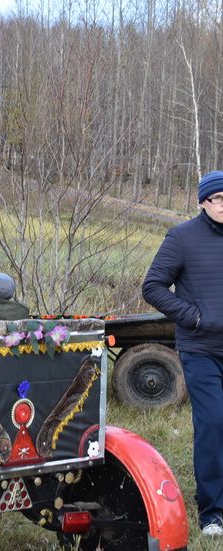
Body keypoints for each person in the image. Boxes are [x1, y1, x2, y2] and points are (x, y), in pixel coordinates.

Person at [142, 170, 223, 538]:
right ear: (204, 202)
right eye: (219, 199)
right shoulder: (182, 237)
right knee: (212, 424)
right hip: (201, 348)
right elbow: (153, 286)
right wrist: (194, 316)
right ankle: (213, 512)